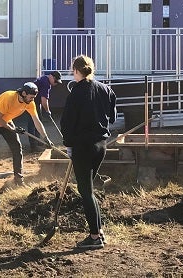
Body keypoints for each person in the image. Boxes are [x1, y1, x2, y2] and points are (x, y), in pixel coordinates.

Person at [60, 55, 117, 249]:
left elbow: (67, 122)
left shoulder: (76, 92)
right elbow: (113, 116)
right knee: (89, 190)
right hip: (101, 145)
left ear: (75, 70)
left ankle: (94, 237)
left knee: (85, 191)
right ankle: (99, 232)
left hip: (83, 146)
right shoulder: (106, 89)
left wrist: (68, 144)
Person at [0, 82, 54, 186]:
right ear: (24, 93)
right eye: (31, 97)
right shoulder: (9, 97)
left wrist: (45, 138)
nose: (32, 100)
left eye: (34, 97)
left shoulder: (29, 103)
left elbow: (36, 121)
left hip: (7, 121)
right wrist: (13, 129)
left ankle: (19, 181)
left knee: (17, 149)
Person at [27, 71, 62, 153]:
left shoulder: (44, 79)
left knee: (38, 122)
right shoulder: (46, 83)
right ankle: (33, 146)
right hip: (30, 102)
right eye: (55, 81)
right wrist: (47, 111)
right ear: (51, 76)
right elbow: (44, 100)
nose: (56, 83)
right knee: (33, 123)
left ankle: (39, 142)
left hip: (35, 102)